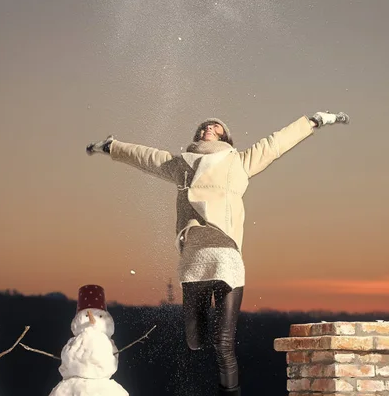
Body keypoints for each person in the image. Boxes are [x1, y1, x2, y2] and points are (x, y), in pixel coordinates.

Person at [86, 111, 349, 395]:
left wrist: (315, 120)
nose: (208, 129)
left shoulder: (238, 161)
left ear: (224, 136)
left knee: (224, 343)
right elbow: (146, 157)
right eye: (204, 127)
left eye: (215, 127)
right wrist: (111, 146)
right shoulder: (181, 164)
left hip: (226, 257)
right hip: (193, 261)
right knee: (194, 340)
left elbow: (276, 143)